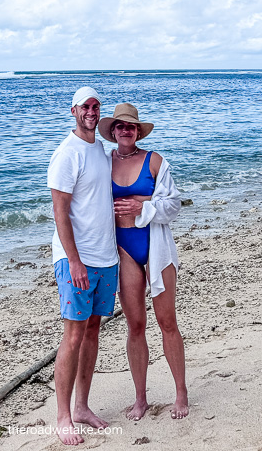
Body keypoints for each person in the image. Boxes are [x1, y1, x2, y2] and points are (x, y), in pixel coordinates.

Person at [98, 102, 189, 421]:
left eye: (131, 126)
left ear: (138, 131)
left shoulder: (155, 162)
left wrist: (144, 206)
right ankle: (140, 399)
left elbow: (174, 205)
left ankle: (181, 392)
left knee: (167, 322)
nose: (125, 130)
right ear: (112, 132)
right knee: (135, 326)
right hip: (122, 251)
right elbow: (87, 200)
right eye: (120, 126)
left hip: (156, 248)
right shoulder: (102, 162)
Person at [48, 86, 120, 445]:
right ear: (73, 111)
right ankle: (63, 417)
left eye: (96, 106)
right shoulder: (67, 154)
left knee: (93, 331)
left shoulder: (101, 151)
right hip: (77, 260)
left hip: (106, 258)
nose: (92, 111)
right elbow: (60, 211)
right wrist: (73, 260)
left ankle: (82, 407)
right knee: (73, 335)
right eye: (85, 107)